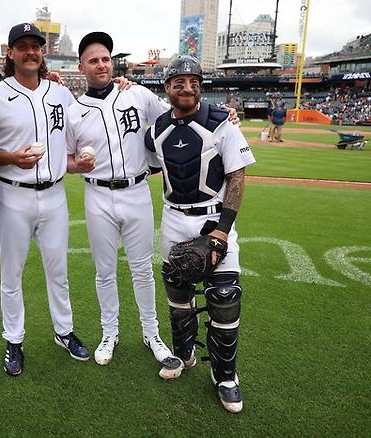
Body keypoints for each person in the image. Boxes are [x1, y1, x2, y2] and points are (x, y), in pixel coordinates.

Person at [145, 55, 255, 414]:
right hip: (175, 219)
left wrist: (222, 232)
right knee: (178, 295)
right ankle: (183, 354)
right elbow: (148, 155)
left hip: (213, 219)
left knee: (224, 298)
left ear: (200, 87)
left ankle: (225, 376)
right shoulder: (157, 128)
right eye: (179, 82)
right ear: (167, 89)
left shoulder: (222, 122)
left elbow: (237, 178)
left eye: (193, 82)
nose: (187, 88)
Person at [0, 23, 90, 376]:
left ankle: (64, 331)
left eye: (36, 46)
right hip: (13, 195)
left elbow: (86, 121)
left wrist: (123, 85)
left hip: (55, 195)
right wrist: (12, 157)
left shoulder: (60, 93)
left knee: (58, 271)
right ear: (10, 53)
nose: (31, 51)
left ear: (42, 52)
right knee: (11, 274)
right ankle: (14, 340)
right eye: (23, 46)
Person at [65, 32, 176, 367]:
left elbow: (174, 117)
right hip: (97, 194)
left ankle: (151, 333)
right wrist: (76, 165)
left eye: (105, 59)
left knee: (143, 269)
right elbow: (67, 159)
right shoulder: (74, 111)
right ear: (81, 66)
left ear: (111, 63)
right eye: (93, 60)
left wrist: (221, 115)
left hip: (137, 191)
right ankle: (109, 332)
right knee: (104, 271)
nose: (101, 65)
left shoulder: (138, 94)